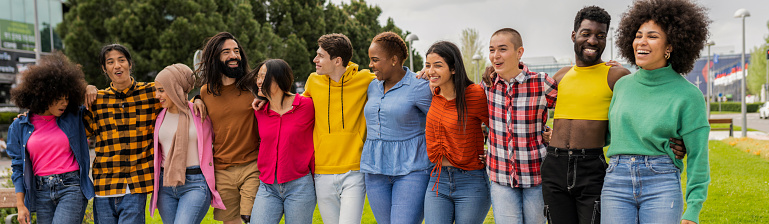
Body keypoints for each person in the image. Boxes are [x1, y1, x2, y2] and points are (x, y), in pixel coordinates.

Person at [602, 0, 710, 223]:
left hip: (661, 182)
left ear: (670, 46)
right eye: (638, 35)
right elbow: (610, 135)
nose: (641, 42)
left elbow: (699, 156)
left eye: (652, 36)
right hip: (616, 181)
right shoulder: (622, 85)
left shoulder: (689, 95)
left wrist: (694, 208)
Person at [7, 53, 94, 224]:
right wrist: (20, 205)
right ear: (43, 96)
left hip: (71, 187)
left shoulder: (73, 116)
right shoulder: (20, 126)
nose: (64, 104)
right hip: (41, 191)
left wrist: (89, 87)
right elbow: (17, 168)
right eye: (58, 99)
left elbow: (92, 105)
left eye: (67, 99)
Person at [482, 28, 555, 224]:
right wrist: (424, 74)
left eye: (502, 49)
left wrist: (554, 133)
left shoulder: (542, 83)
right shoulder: (486, 88)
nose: (495, 56)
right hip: (501, 177)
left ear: (519, 52)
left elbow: (572, 109)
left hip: (536, 176)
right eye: (491, 50)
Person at [83, 44, 162, 223]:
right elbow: (74, 130)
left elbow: (179, 95)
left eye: (121, 60)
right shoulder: (96, 100)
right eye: (110, 62)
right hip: (104, 185)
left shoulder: (151, 93)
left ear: (130, 64)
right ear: (104, 69)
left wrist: (197, 99)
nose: (117, 65)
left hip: (136, 184)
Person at [362, 31, 433, 224]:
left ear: (394, 60)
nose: (370, 65)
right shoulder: (371, 86)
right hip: (375, 170)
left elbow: (441, 120)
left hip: (413, 170)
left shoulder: (419, 86)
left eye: (375, 60)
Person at [306, 33, 374, 224]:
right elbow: (293, 107)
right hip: (322, 171)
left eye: (320, 55)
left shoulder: (365, 80)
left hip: (354, 170)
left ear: (337, 61)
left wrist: (421, 74)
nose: (315, 59)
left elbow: (395, 80)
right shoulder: (313, 81)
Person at [196, 32, 261, 224]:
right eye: (226, 52)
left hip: (253, 165)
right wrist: (196, 100)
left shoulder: (253, 86)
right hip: (221, 169)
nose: (233, 55)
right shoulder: (205, 92)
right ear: (215, 58)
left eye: (236, 51)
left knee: (252, 218)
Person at [422, 41, 490, 224]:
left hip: (471, 181)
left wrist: (492, 154)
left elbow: (499, 124)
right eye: (428, 65)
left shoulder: (474, 94)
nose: (431, 71)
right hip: (438, 179)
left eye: (438, 65)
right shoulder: (434, 92)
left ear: (453, 69)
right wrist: (426, 72)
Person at [148, 64, 226, 223]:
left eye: (162, 90)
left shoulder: (200, 113)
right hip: (166, 185)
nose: (157, 95)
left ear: (175, 89)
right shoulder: (158, 116)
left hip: (195, 184)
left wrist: (198, 99)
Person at [249, 59, 316, 224]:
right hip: (267, 186)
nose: (258, 81)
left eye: (263, 76)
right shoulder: (260, 111)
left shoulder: (306, 106)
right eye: (258, 76)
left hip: (299, 185)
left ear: (277, 79)